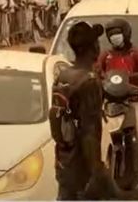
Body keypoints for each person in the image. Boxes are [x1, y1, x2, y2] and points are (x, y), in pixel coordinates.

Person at [97, 18, 138, 197]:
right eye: (111, 35)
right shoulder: (106, 55)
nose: (114, 38)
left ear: (126, 34)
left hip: (134, 102)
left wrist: (128, 77)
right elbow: (97, 72)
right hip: (110, 104)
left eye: (117, 34)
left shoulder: (137, 54)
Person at [50, 22, 113, 200]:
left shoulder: (63, 76)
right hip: (83, 170)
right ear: (94, 48)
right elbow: (89, 132)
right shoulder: (90, 81)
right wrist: (97, 172)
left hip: (64, 163)